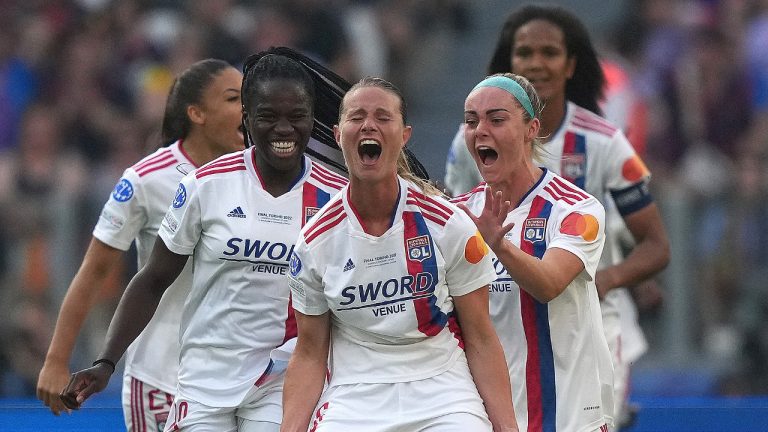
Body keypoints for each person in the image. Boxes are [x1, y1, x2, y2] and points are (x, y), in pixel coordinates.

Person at [60, 49, 348, 431]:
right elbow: (152, 279)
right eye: (267, 117)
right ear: (246, 118)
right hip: (203, 380)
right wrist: (106, 362)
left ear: (312, 119)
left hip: (281, 378)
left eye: (296, 117)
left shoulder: (334, 197)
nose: (283, 129)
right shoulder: (203, 185)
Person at [448, 5, 671, 428]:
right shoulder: (467, 141)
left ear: (570, 65)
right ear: (509, 63)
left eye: (548, 53)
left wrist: (608, 279)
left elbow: (657, 245)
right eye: (524, 53)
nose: (535, 63)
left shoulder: (604, 143)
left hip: (587, 307)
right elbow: (463, 223)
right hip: (497, 311)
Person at [281, 76, 518, 432]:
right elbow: (310, 353)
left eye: (382, 116)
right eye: (357, 116)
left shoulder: (447, 224)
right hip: (354, 398)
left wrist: (508, 428)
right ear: (337, 133)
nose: (369, 125)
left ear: (404, 136)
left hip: (443, 392)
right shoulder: (314, 242)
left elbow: (481, 336)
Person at [36, 58, 244, 429]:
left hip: (240, 379)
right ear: (196, 113)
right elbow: (95, 270)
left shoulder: (259, 176)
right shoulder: (146, 180)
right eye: (233, 99)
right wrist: (56, 359)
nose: (247, 109)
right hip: (162, 376)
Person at [453, 72, 613, 431]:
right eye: (471, 121)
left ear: (531, 128)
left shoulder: (577, 211)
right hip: (489, 419)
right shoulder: (456, 216)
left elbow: (549, 284)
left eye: (496, 120)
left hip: (568, 418)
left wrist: (499, 246)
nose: (480, 130)